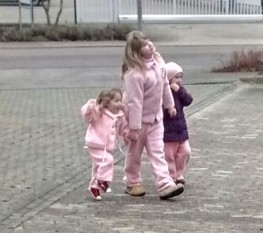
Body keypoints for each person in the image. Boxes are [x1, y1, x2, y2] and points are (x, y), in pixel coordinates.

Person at [122, 31, 183, 201]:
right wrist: (134, 128)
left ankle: (165, 184)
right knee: (134, 154)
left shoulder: (159, 63)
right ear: (137, 52)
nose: (150, 45)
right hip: (138, 122)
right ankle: (132, 182)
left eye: (149, 41)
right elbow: (134, 102)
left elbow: (164, 85)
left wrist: (170, 105)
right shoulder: (134, 74)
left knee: (158, 152)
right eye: (144, 45)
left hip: (156, 119)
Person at [80, 88, 125, 200]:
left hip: (106, 146)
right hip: (95, 143)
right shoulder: (99, 112)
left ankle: (94, 187)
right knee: (107, 160)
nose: (119, 103)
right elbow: (87, 114)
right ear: (107, 102)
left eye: (120, 100)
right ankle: (102, 181)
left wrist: (126, 135)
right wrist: (91, 105)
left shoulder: (119, 115)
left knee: (98, 167)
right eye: (116, 101)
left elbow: (121, 129)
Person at [163, 61, 193, 188]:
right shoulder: (163, 92)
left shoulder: (180, 90)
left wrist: (180, 91)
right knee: (169, 155)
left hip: (180, 129)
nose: (179, 80)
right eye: (176, 77)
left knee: (185, 152)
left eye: (181, 77)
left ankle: (179, 174)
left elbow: (188, 100)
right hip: (168, 131)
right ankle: (171, 177)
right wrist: (167, 110)